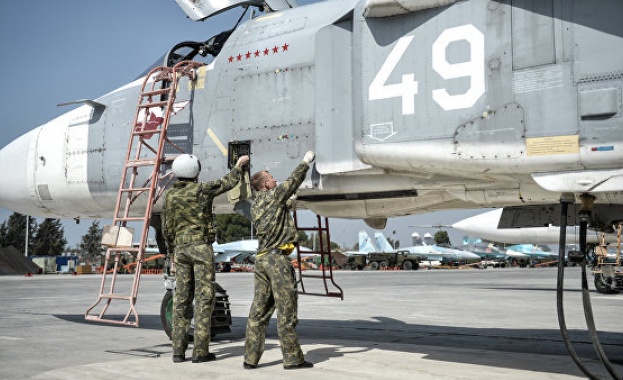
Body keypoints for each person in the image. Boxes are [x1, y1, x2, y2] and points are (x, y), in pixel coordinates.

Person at [163, 153, 250, 363]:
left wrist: (173, 251)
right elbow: (227, 182)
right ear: (194, 171)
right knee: (203, 299)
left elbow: (167, 229)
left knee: (181, 300)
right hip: (200, 248)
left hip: (181, 250)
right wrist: (239, 166)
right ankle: (200, 352)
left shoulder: (170, 196)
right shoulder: (201, 190)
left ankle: (178, 351)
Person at [243, 151, 316, 370]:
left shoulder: (256, 204)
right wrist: (305, 162)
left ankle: (250, 358)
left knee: (258, 311)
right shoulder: (275, 196)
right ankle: (293, 359)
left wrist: (289, 203)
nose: (276, 180)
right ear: (265, 184)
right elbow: (293, 181)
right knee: (286, 311)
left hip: (262, 260)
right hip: (276, 260)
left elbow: (279, 208)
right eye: (272, 178)